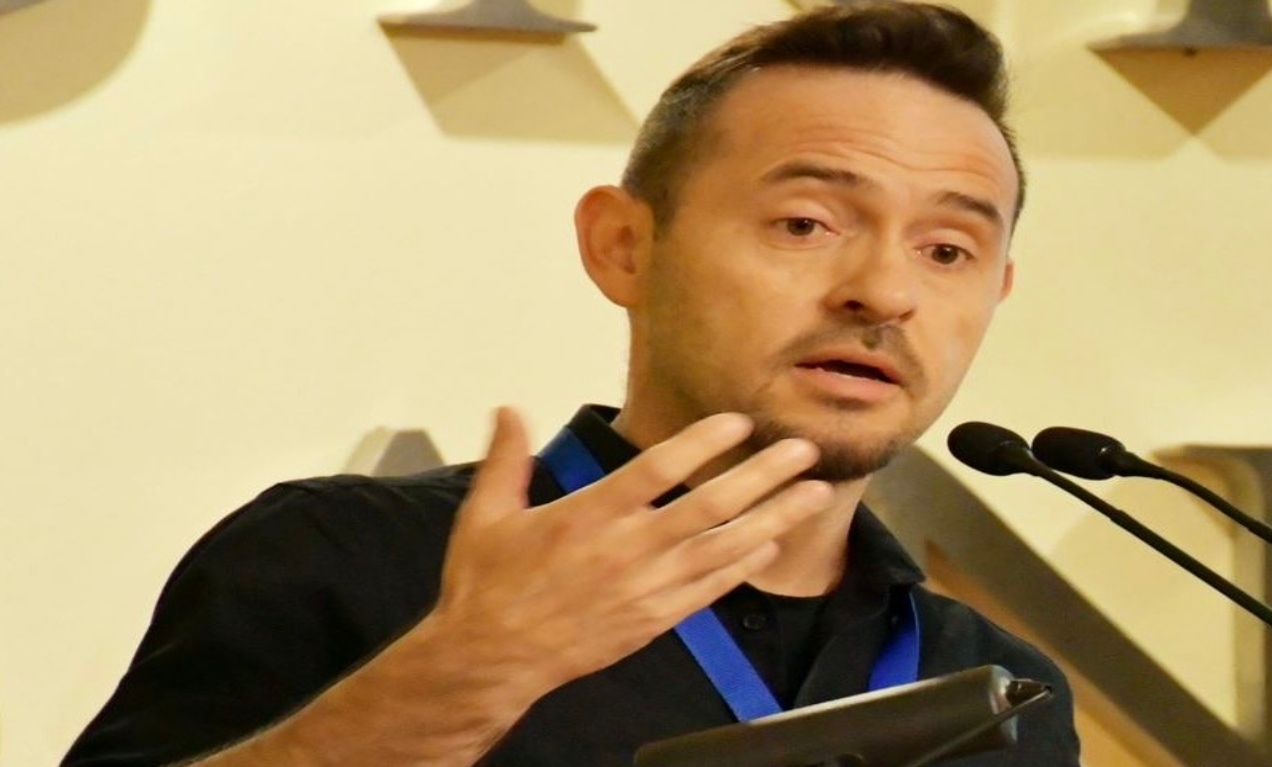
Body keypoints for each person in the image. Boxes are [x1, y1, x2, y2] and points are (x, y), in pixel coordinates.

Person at [64, 3, 1082, 766]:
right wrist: (457, 679)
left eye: (947, 250)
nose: (886, 291)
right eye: (805, 224)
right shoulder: (347, 560)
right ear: (624, 246)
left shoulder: (998, 684)